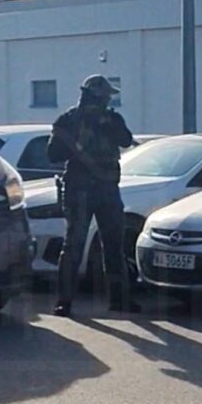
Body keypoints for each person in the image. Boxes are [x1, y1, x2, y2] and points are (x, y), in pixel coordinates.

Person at [47, 75, 141, 317]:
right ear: (94, 95)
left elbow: (126, 140)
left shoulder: (112, 119)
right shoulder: (68, 120)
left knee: (114, 245)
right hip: (80, 189)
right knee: (74, 245)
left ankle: (120, 299)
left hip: (107, 188)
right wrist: (75, 139)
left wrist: (108, 125)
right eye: (106, 95)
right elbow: (53, 154)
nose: (108, 100)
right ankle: (64, 301)